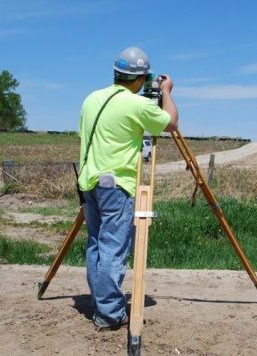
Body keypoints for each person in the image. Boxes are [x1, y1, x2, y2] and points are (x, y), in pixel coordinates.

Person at [78, 46, 178, 331]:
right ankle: (109, 314)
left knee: (96, 244)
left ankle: (101, 302)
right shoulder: (137, 105)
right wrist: (167, 92)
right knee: (113, 248)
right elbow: (171, 123)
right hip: (117, 186)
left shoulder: (91, 99)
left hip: (89, 182)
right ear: (140, 79)